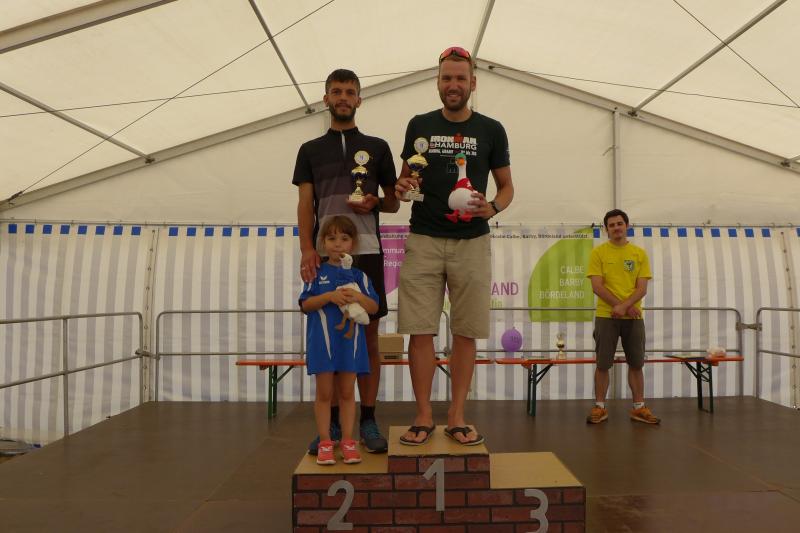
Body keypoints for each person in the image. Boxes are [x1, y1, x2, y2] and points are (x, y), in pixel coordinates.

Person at [394, 46, 514, 446]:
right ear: (437, 82)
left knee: (466, 332)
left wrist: (492, 207)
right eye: (447, 78)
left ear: (473, 83)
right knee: (419, 331)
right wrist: (402, 186)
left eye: (461, 78)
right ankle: (423, 415)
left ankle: (458, 416)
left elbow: (507, 187)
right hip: (424, 238)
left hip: (472, 243)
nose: (453, 84)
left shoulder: (492, 129)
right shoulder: (419, 125)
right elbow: (404, 181)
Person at [293, 69, 399, 454]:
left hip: (367, 253)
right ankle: (334, 426)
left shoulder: (378, 147)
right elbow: (305, 204)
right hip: (325, 258)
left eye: (350, 92)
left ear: (359, 100)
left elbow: (393, 202)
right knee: (333, 338)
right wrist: (308, 249)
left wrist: (376, 202)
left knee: (368, 338)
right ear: (326, 99)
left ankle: (367, 419)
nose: (343, 97)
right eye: (336, 91)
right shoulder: (309, 150)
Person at [300, 216, 379, 465]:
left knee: (347, 393)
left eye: (344, 239)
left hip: (350, 345)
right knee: (325, 393)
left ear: (353, 244)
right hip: (322, 344)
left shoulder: (359, 276)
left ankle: (348, 441)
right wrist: (329, 297)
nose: (338, 244)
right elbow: (305, 304)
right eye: (332, 238)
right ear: (323, 242)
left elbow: (373, 307)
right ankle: (325, 441)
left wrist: (357, 296)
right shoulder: (316, 272)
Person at [586, 209, 660, 424]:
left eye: (619, 223)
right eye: (611, 225)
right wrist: (622, 306)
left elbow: (642, 288)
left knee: (636, 364)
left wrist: (624, 307)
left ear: (627, 226)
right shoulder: (598, 253)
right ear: (606, 229)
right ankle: (600, 407)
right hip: (605, 316)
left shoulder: (639, 254)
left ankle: (639, 407)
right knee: (603, 364)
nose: (616, 228)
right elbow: (597, 286)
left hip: (633, 318)